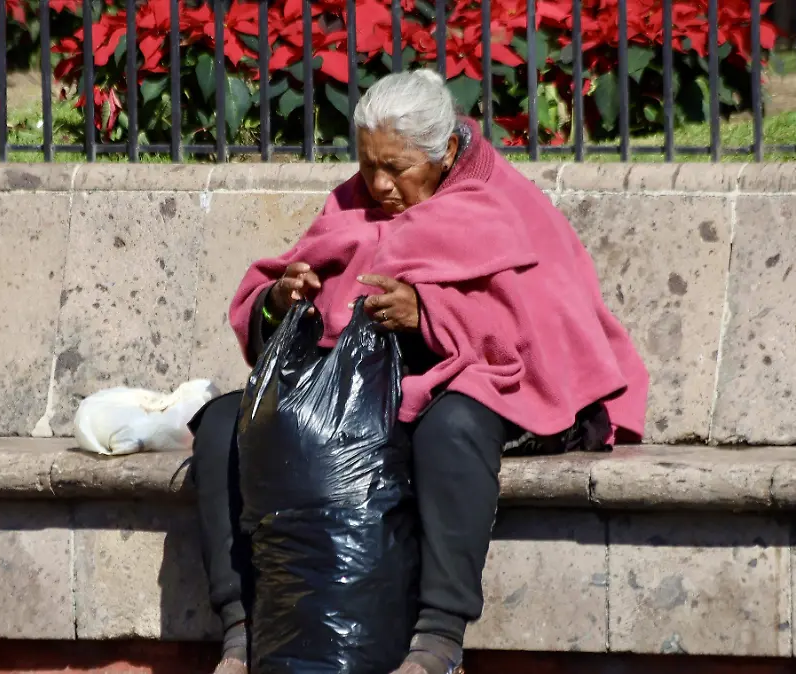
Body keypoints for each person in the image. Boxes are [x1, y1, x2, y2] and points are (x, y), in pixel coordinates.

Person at [189, 70, 650, 674]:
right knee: (226, 423)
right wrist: (281, 299)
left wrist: (429, 313)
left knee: (452, 427)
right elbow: (300, 281)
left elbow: (536, 329)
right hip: (369, 389)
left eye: (397, 168)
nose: (378, 184)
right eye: (367, 164)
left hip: (506, 387)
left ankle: (439, 638)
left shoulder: (501, 206)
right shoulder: (356, 197)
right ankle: (240, 629)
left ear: (447, 152)